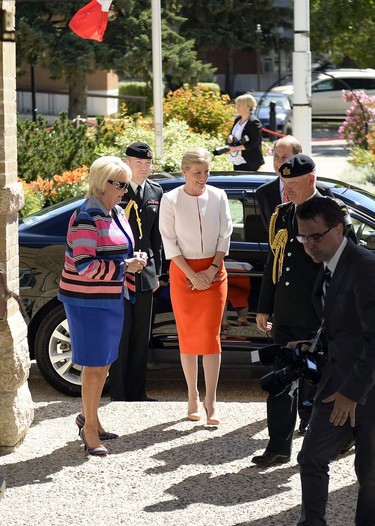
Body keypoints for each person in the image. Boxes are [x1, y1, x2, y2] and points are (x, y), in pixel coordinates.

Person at [58, 156, 147, 456]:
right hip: (87, 301)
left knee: (105, 364)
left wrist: (136, 259)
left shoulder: (117, 211)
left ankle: (89, 416)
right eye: (120, 184)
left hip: (110, 296)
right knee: (95, 366)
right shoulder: (86, 216)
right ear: (101, 184)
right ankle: (89, 429)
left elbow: (117, 250)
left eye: (126, 184)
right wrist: (126, 267)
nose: (125, 190)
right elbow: (84, 265)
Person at [295, 196, 375, 525]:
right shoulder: (329, 266)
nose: (309, 245)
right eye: (303, 238)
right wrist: (314, 343)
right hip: (336, 383)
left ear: (339, 230)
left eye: (316, 236)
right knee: (311, 458)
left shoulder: (365, 267)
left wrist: (352, 393)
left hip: (365, 389)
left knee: (369, 475)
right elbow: (346, 325)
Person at [256, 136, 334, 436]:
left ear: (311, 179)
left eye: (293, 186)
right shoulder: (282, 214)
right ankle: (277, 445)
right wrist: (264, 306)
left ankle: (331, 439)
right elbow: (274, 264)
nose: (286, 191)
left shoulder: (330, 215)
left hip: (317, 314)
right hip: (286, 313)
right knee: (281, 379)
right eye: (284, 186)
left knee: (318, 379)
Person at [159, 147, 233, 425]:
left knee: (211, 337)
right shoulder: (170, 199)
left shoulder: (219, 196)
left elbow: (225, 234)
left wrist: (212, 269)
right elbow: (169, 241)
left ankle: (211, 400)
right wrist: (191, 274)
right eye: (197, 173)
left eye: (207, 172)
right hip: (182, 271)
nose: (203, 177)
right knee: (188, 337)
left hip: (215, 272)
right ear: (184, 173)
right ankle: (191, 396)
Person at [109, 142, 163, 402]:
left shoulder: (155, 191)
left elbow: (156, 237)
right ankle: (118, 392)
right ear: (127, 162)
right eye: (139, 163)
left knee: (142, 335)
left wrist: (157, 274)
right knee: (122, 332)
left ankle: (137, 392)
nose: (144, 168)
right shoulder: (117, 190)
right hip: (121, 271)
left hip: (145, 272)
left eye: (148, 163)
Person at [255, 135, 333, 230]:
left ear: (297, 157)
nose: (279, 162)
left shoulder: (321, 190)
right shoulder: (263, 193)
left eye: (285, 157)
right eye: (276, 157)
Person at [226, 93, 264, 172]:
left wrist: (234, 148)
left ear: (248, 106)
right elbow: (232, 133)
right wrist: (230, 137)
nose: (236, 107)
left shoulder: (254, 122)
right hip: (237, 159)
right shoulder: (237, 119)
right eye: (236, 105)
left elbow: (254, 143)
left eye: (239, 105)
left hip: (249, 161)